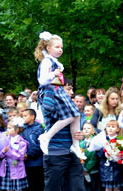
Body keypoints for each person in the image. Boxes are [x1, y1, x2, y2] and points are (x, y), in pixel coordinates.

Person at [34, 32, 85, 160]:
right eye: (57, 47)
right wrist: (53, 74)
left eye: (61, 47)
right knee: (69, 116)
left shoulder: (53, 61)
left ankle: (75, 145)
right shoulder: (46, 62)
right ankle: (46, 137)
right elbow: (42, 80)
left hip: (59, 92)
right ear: (48, 48)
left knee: (77, 115)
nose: (60, 49)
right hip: (52, 93)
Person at [88, 120, 123, 191]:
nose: (110, 128)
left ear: (117, 129)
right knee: (108, 188)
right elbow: (97, 152)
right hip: (106, 167)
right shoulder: (102, 139)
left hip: (117, 167)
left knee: (117, 188)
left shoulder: (120, 140)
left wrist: (119, 154)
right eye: (108, 126)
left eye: (113, 126)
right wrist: (104, 152)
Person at [0, 117, 28, 191]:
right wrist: (3, 152)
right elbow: (0, 155)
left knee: (17, 189)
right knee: (9, 188)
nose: (8, 130)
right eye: (7, 128)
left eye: (10, 128)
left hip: (17, 168)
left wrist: (8, 151)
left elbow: (20, 156)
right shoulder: (6, 140)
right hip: (7, 167)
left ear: (17, 130)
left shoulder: (22, 142)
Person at [22, 109, 45, 191]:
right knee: (28, 181)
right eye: (22, 116)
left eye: (25, 115)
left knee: (37, 181)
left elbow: (40, 144)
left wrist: (29, 154)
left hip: (36, 161)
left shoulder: (39, 129)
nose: (23, 118)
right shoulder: (22, 129)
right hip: (25, 161)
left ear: (32, 117)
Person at [80, 123, 102, 191]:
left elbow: (94, 158)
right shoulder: (81, 143)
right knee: (87, 189)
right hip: (83, 170)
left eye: (88, 128)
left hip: (93, 170)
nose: (86, 130)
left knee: (95, 188)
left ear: (93, 131)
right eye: (84, 128)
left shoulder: (95, 142)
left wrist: (87, 168)